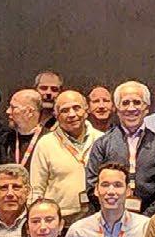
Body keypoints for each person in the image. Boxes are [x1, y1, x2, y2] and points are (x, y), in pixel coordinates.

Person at [86, 81, 155, 215]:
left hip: (151, 219)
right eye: (125, 103)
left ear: (146, 108)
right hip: (111, 217)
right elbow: (92, 184)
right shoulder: (102, 144)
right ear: (117, 109)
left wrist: (147, 217)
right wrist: (114, 214)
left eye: (137, 102)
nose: (131, 108)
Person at [32, 89, 102, 221]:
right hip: (60, 219)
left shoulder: (102, 140)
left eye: (76, 108)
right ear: (56, 115)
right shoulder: (45, 144)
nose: (72, 114)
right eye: (64, 110)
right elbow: (36, 188)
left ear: (86, 110)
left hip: (97, 217)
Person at [1, 88, 48, 168]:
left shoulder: (50, 141)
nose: (8, 111)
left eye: (13, 107)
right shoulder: (5, 140)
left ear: (29, 112)